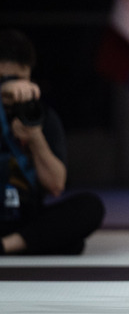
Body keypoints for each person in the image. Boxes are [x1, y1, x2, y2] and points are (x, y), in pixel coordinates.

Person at [1, 29, 105, 255]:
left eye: (18, 80)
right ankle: (30, 244)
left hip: (25, 219)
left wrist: (35, 137)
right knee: (70, 245)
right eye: (4, 80)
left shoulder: (40, 115)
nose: (14, 88)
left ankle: (8, 245)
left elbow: (56, 186)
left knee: (89, 207)